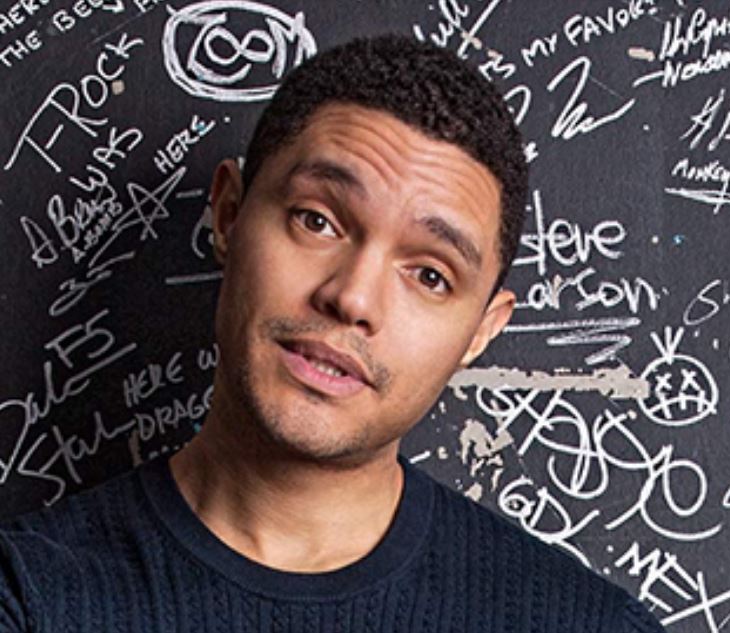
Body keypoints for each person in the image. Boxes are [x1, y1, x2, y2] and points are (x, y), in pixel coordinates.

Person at [0, 35, 665, 632]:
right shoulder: (30, 597)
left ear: (479, 332)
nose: (352, 298)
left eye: (430, 275)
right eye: (317, 221)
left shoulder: (588, 624)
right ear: (229, 214)